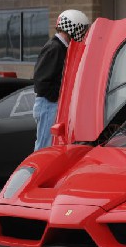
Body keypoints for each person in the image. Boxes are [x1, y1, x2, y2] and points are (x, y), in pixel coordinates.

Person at [32, 9, 90, 150]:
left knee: (51, 146)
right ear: (73, 28)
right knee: (44, 147)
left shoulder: (61, 48)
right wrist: (58, 97)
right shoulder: (55, 48)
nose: (82, 35)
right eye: (82, 30)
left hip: (50, 104)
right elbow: (41, 82)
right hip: (48, 105)